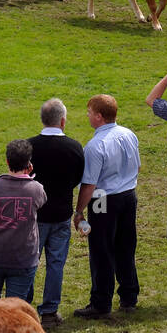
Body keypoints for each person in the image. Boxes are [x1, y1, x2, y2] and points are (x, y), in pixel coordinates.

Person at [72, 95, 141, 318]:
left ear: (99, 116)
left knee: (101, 249)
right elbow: (137, 166)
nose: (88, 115)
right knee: (126, 245)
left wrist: (79, 211)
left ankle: (101, 302)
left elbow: (89, 184)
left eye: (90, 112)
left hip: (103, 198)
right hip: (129, 195)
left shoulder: (95, 146)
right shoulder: (129, 134)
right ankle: (129, 296)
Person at [26, 100, 84, 326]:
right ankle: (49, 311)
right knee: (56, 264)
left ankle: (24, 307)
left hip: (35, 215)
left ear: (42, 119)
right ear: (63, 120)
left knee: (29, 262)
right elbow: (78, 179)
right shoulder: (74, 147)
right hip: (61, 214)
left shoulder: (29, 147)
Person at [0, 139, 46, 301]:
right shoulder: (36, 189)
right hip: (23, 259)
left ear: (7, 161)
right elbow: (41, 204)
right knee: (17, 310)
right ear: (28, 163)